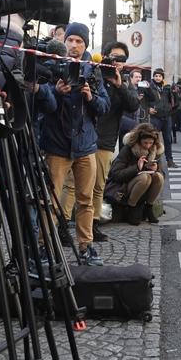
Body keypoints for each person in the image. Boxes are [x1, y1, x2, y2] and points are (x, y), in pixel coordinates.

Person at [38, 22, 110, 266]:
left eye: (79, 41)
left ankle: (86, 246)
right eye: (70, 40)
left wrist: (90, 97)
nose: (74, 45)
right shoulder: (51, 66)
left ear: (85, 45)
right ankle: (44, 247)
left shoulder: (93, 71)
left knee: (85, 200)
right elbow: (41, 103)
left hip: (86, 145)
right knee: (50, 200)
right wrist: (55, 92)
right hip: (56, 144)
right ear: (64, 41)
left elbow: (104, 107)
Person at [65, 40, 139, 243]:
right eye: (113, 57)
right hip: (84, 135)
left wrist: (119, 85)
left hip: (105, 140)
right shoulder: (94, 72)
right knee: (72, 184)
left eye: (121, 59)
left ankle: (93, 224)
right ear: (105, 57)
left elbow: (133, 105)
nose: (116, 62)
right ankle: (63, 224)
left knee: (99, 185)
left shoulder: (124, 82)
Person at [107, 123, 165, 225]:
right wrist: (137, 167)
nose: (148, 146)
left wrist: (157, 169)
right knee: (144, 177)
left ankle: (149, 207)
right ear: (138, 140)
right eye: (145, 142)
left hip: (146, 189)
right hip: (126, 187)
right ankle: (131, 208)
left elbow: (163, 175)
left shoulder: (154, 150)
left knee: (159, 177)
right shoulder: (128, 149)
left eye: (150, 143)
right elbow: (116, 174)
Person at [146, 68, 179, 168]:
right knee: (154, 140)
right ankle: (153, 160)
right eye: (156, 76)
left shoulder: (167, 87)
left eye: (159, 76)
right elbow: (144, 101)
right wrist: (148, 109)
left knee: (168, 140)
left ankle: (169, 160)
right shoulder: (149, 86)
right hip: (156, 117)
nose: (157, 78)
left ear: (162, 77)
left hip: (167, 116)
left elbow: (173, 101)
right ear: (153, 77)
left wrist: (175, 93)